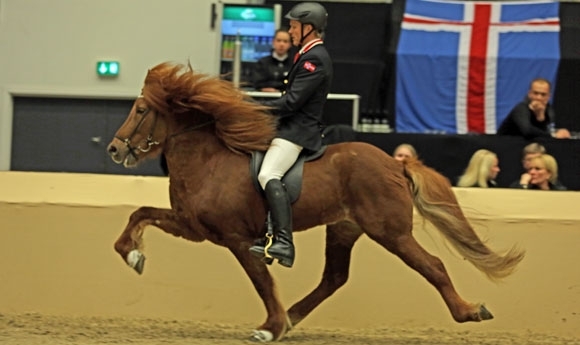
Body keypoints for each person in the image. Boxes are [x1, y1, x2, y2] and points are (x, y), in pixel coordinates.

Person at [249, 2, 333, 268]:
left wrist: (255, 108)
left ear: (309, 28)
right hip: (288, 126)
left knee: (268, 174)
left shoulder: (315, 58)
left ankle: (283, 241)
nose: (291, 31)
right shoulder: (306, 54)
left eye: (294, 26)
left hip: (298, 131)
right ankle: (266, 232)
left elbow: (291, 103)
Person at [497, 78, 571, 140]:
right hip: (507, 145)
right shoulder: (521, 108)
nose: (539, 98)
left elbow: (545, 131)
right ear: (530, 94)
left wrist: (540, 116)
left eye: (543, 94)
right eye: (536, 93)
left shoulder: (549, 110)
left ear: (548, 97)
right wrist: (553, 136)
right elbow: (527, 131)